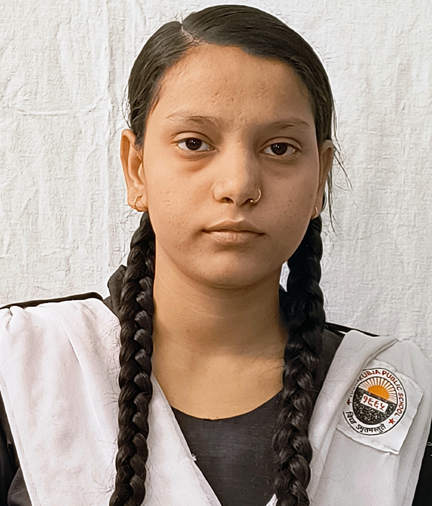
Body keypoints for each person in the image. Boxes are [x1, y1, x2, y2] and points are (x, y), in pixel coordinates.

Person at [0, 4, 431, 506]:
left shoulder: (402, 393)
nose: (238, 185)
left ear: (320, 178)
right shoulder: (23, 366)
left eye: (279, 148)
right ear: (136, 169)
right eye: (194, 143)